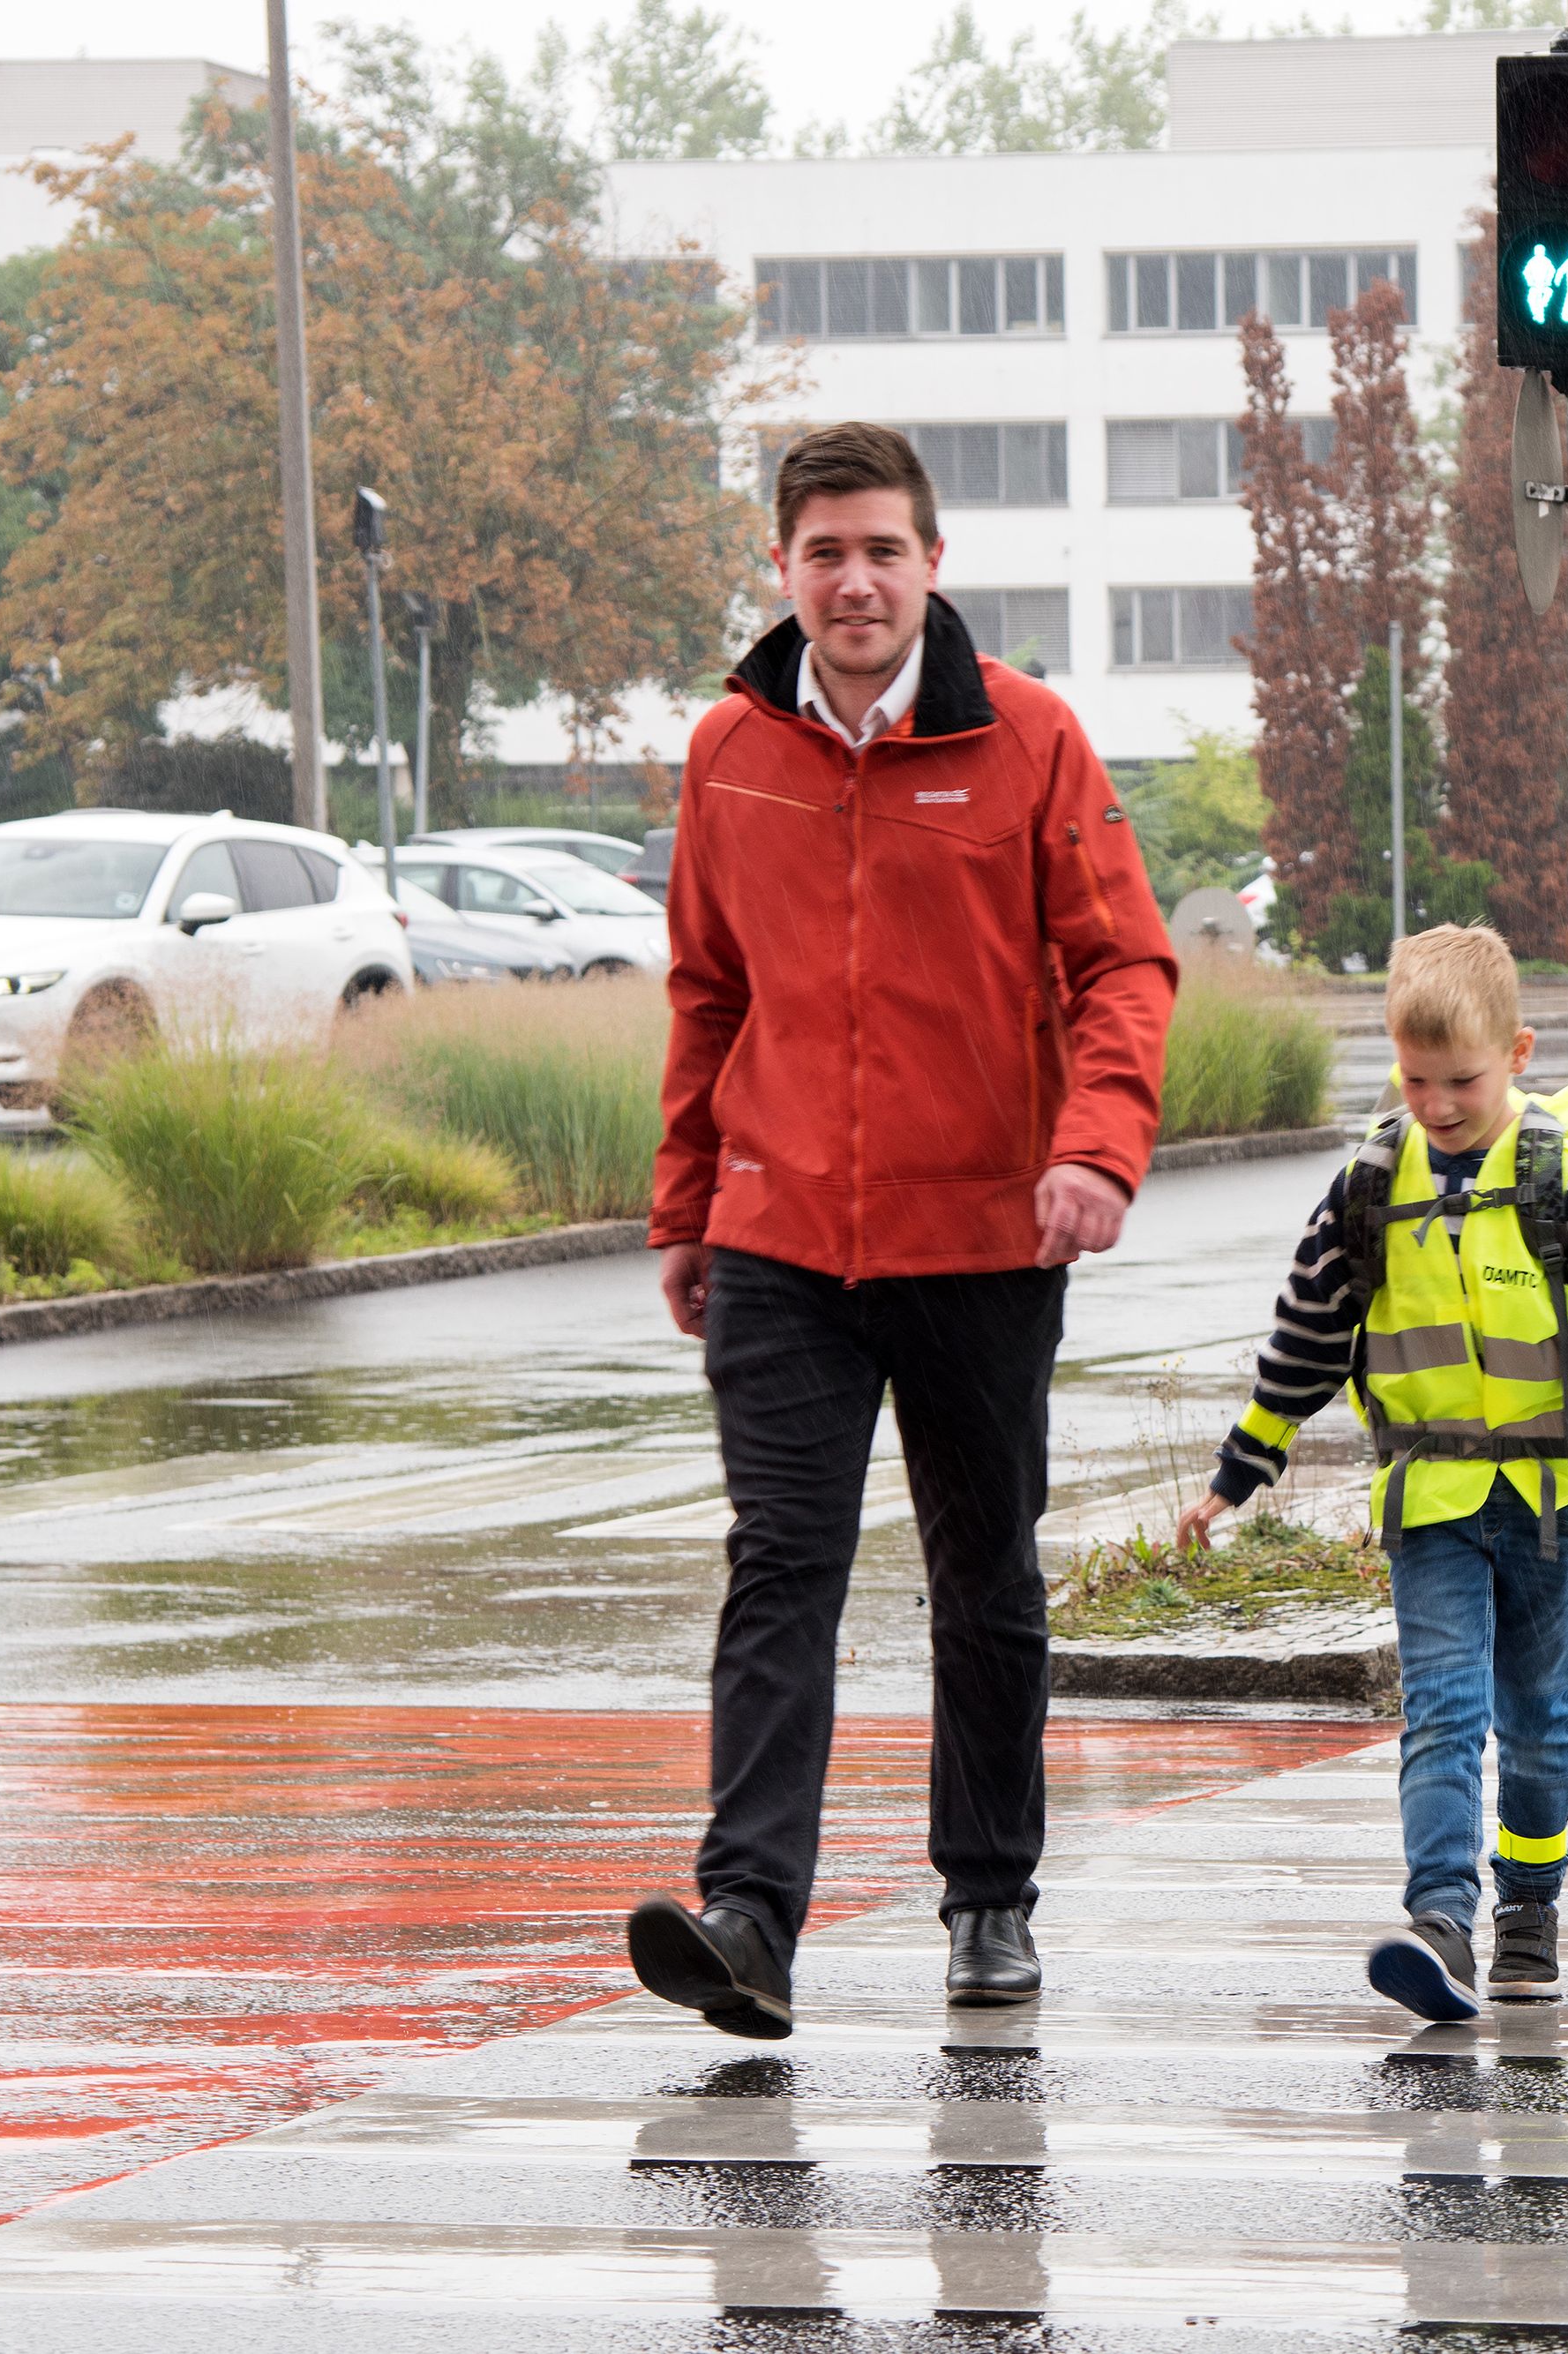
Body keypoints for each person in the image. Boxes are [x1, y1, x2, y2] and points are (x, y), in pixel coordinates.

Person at [628, 423, 1176, 2039]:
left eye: (882, 549)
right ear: (784, 572)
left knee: (984, 1575)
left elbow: (1123, 966)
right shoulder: (729, 749)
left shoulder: (1030, 741)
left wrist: (1096, 1151)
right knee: (781, 1563)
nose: (853, 579)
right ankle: (750, 1919)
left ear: (934, 564)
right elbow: (707, 991)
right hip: (782, 1234)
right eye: (823, 553)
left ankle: (990, 1893)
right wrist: (684, 1207)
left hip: (982, 1243)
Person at [1174, 924, 1568, 2021]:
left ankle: (1529, 1910)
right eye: (1413, 1079)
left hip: (1550, 1510)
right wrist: (1236, 1473)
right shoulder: (1365, 1188)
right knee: (1442, 1710)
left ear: (1519, 1053)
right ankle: (1441, 1921)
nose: (1437, 1103)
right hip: (1431, 1505)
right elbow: (1303, 1342)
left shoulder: (1564, 1185)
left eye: (1461, 1080)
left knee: (1536, 1718)